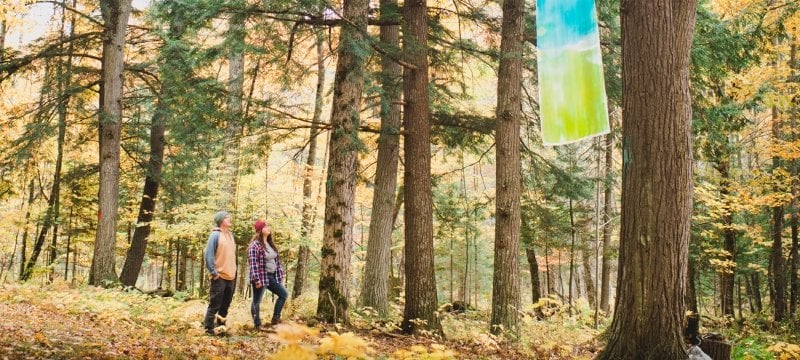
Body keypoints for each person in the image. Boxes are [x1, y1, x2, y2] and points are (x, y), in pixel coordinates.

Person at [247, 219, 287, 329]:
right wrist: (256, 280)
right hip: (261, 276)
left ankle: (276, 318)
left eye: (268, 226)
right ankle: (257, 324)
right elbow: (253, 264)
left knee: (283, 294)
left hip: (272, 276)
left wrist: (281, 272)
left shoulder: (270, 244)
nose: (268, 228)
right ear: (260, 230)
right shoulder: (254, 245)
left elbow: (276, 260)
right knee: (257, 301)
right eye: (266, 226)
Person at [203, 211, 237, 335]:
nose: (230, 219)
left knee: (225, 305)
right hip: (219, 275)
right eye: (227, 217)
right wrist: (213, 272)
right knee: (215, 304)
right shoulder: (215, 235)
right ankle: (209, 329)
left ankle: (221, 328)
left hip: (230, 275)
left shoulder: (230, 235)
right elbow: (208, 255)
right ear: (221, 220)